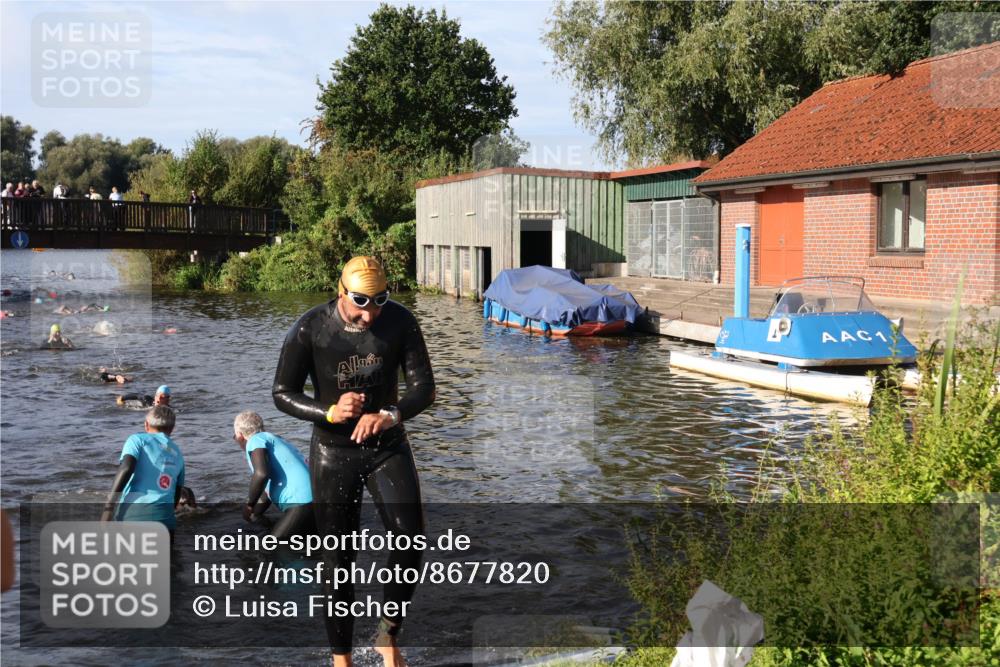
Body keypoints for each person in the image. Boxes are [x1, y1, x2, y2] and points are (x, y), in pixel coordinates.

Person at [273, 256, 435, 667]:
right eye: (361, 301)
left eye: (379, 301)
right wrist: (327, 411)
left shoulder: (400, 323)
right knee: (338, 559)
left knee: (411, 537)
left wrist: (390, 415)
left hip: (386, 444)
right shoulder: (311, 328)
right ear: (341, 291)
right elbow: (282, 392)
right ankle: (341, 659)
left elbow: (424, 389)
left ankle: (387, 635)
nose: (370, 313)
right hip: (333, 451)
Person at [100, 406, 185, 533]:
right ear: (172, 428)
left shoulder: (137, 440)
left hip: (133, 515)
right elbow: (176, 493)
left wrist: (108, 508)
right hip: (166, 522)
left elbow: (126, 468)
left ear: (146, 425)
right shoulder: (178, 453)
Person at [232, 411, 314, 539]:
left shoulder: (255, 440)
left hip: (301, 503)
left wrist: (249, 504)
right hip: (317, 499)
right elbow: (267, 488)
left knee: (273, 546)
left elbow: (261, 475)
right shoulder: (275, 440)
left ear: (239, 435)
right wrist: (254, 512)